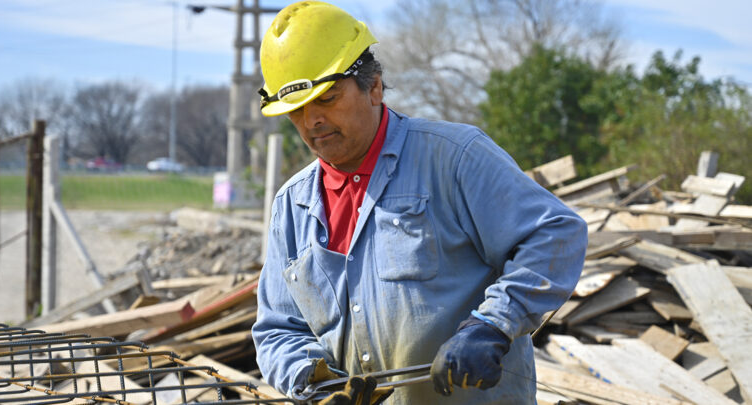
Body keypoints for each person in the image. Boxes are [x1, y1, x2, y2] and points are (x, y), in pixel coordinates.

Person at [251, 1, 588, 404]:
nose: (311, 122)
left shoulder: (454, 158)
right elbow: (278, 329)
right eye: (297, 111)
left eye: (326, 99)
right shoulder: (293, 206)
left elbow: (554, 234)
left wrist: (492, 325)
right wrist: (315, 382)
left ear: (373, 86)